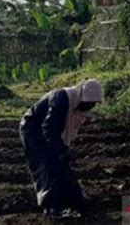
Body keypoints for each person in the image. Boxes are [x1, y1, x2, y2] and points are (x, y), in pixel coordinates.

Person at [19, 79, 103, 219]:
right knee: (47, 165)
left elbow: (59, 131)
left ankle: (72, 201)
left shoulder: (77, 104)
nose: (89, 106)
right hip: (32, 129)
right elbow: (49, 128)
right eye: (88, 103)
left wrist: (63, 149)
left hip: (47, 132)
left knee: (61, 166)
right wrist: (62, 149)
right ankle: (52, 207)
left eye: (92, 104)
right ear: (81, 96)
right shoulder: (62, 99)